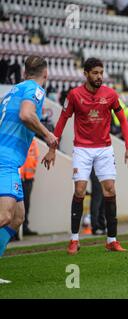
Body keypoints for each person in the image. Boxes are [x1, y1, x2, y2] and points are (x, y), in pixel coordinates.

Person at [41, 57, 128, 255]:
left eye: (101, 72)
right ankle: (74, 239)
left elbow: (123, 121)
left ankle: (112, 240)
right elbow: (62, 120)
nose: (99, 76)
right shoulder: (74, 95)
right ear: (85, 74)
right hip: (82, 149)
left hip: (104, 149)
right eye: (95, 73)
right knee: (80, 190)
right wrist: (51, 148)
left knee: (109, 190)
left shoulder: (110, 94)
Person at [0, 56, 58, 257]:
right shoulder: (35, 89)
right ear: (46, 74)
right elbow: (26, 115)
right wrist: (47, 134)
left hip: (8, 159)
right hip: (4, 159)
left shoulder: (13, 90)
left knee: (17, 217)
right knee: (5, 215)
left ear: (24, 73)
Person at [19, 138, 40, 236]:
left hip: (29, 179)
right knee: (16, 206)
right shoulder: (18, 140)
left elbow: (36, 157)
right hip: (18, 178)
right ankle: (15, 231)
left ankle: (25, 228)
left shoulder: (33, 141)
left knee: (26, 204)